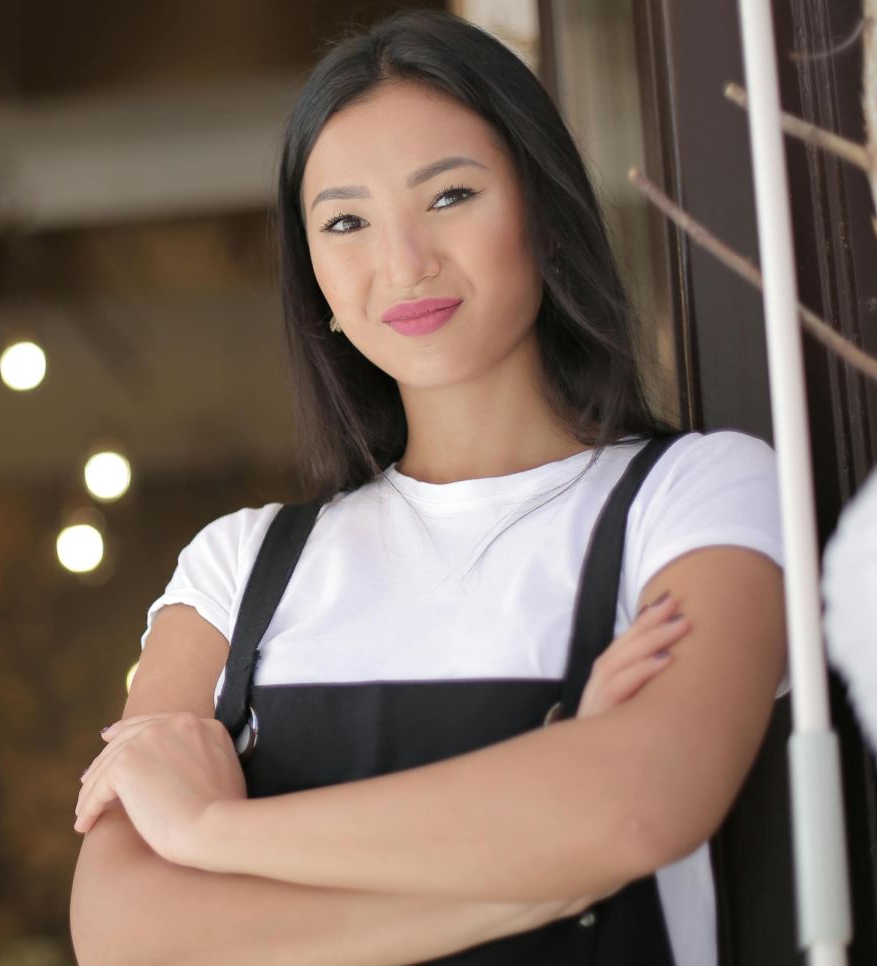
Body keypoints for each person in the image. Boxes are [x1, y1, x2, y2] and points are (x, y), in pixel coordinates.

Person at [68, 11, 788, 966]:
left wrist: (210, 834)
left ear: (544, 208)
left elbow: (637, 805)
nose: (403, 264)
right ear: (314, 271)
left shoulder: (696, 497)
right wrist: (530, 871)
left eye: (450, 196)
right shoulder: (237, 570)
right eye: (347, 222)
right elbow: (128, 935)